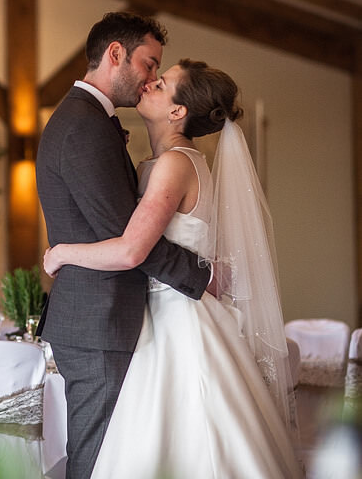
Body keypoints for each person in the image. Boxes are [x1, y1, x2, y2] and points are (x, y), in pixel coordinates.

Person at [43, 59, 302, 478]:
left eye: (160, 83)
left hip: (176, 319)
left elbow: (131, 251)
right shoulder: (160, 161)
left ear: (178, 111)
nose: (148, 83)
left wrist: (61, 253)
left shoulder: (174, 165)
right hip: (156, 311)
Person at [34, 12, 211, 479]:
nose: (152, 78)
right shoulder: (85, 125)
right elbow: (128, 236)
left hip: (103, 318)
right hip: (99, 322)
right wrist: (204, 275)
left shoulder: (90, 119)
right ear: (116, 54)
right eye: (150, 64)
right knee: (96, 462)